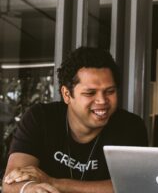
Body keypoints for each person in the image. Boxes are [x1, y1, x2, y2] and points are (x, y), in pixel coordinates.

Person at [2, 47, 148, 193]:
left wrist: (54, 183)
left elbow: (132, 187)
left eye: (110, 91)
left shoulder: (131, 126)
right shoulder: (40, 118)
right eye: (90, 93)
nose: (102, 100)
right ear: (66, 94)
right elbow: (10, 182)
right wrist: (29, 188)